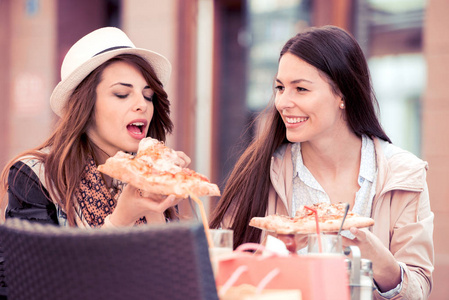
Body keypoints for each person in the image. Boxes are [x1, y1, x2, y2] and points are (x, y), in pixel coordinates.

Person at [210, 25, 434, 299]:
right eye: (280, 87)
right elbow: (221, 273)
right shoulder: (261, 169)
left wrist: (379, 260)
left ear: (343, 94)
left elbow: (418, 290)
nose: (283, 102)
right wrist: (282, 259)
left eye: (301, 89)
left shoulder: (403, 174)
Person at [0, 27, 191, 228]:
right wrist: (121, 219)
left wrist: (155, 209)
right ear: (86, 107)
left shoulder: (153, 174)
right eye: (121, 94)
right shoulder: (36, 176)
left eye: (148, 96)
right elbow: (31, 260)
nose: (142, 105)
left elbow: (169, 258)